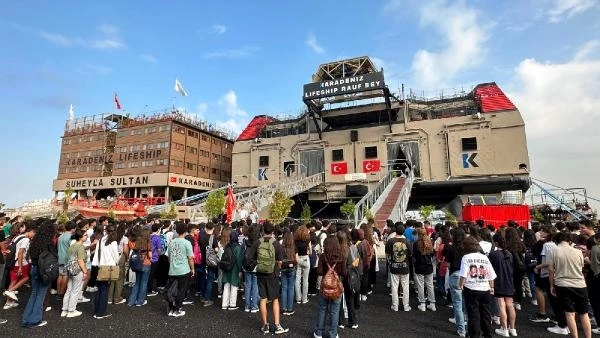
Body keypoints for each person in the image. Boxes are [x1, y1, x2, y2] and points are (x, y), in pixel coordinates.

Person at [549, 231, 592, 338]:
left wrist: (551, 285)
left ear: (557, 241)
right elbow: (581, 267)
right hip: (580, 284)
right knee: (584, 314)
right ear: (569, 241)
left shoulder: (553, 251)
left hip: (562, 284)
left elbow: (551, 270)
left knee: (569, 313)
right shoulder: (578, 252)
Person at [459, 236, 497, 338]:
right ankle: (488, 334)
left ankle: (474, 335)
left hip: (471, 287)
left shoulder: (466, 257)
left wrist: (460, 285)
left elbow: (463, 274)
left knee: (473, 314)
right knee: (486, 313)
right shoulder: (484, 257)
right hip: (485, 288)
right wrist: (492, 287)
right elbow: (491, 275)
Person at [313, 223, 347, 338]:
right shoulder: (341, 256)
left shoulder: (323, 256)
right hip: (336, 286)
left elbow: (319, 272)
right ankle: (333, 333)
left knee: (322, 309)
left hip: (325, 286)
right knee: (335, 311)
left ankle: (319, 332)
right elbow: (344, 273)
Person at [256, 221, 289, 334]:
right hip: (273, 274)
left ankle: (265, 325)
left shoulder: (257, 243)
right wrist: (277, 268)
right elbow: (280, 261)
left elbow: (250, 258)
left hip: (260, 274)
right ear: (273, 231)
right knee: (275, 299)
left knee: (263, 299)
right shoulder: (276, 244)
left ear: (263, 230)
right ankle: (277, 325)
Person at [21, 220, 55, 328]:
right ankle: (35, 320)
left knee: (34, 294)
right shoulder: (48, 244)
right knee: (41, 295)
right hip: (43, 270)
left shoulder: (34, 241)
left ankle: (26, 319)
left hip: (34, 268)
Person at [489, 232, 517, 337]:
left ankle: (504, 329)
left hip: (499, 281)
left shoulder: (493, 255)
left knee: (501, 305)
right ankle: (513, 328)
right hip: (509, 281)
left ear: (496, 242)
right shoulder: (509, 254)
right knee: (510, 305)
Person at [165, 222, 195, 317]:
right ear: (186, 231)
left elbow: (169, 257)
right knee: (181, 290)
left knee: (171, 290)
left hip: (172, 269)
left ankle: (171, 309)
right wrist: (192, 269)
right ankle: (177, 309)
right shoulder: (187, 243)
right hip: (183, 270)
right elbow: (190, 258)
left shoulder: (172, 242)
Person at [91, 224, 119, 319]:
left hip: (100, 266)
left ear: (105, 230)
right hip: (108, 267)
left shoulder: (101, 240)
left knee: (99, 289)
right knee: (104, 290)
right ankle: (101, 312)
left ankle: (96, 310)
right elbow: (116, 256)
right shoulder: (113, 242)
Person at [61, 229, 88, 318]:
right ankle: (71, 310)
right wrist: (85, 271)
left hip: (70, 269)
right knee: (75, 290)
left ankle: (65, 309)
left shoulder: (72, 246)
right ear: (80, 237)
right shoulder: (80, 247)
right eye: (85, 235)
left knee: (69, 290)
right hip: (77, 270)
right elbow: (80, 260)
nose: (87, 236)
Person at [386, 224, 411, 312]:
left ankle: (395, 305)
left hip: (394, 267)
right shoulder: (407, 241)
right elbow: (410, 255)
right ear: (403, 232)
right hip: (405, 267)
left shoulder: (390, 241)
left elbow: (388, 254)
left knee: (394, 286)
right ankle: (406, 306)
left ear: (395, 231)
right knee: (405, 287)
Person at [127, 227, 152, 307]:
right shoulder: (147, 241)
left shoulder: (135, 241)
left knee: (137, 282)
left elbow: (130, 247)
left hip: (137, 263)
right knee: (144, 283)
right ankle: (140, 301)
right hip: (146, 263)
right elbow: (150, 255)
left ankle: (131, 301)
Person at [413, 227, 436, 311]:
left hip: (419, 266)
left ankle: (422, 303)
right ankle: (432, 303)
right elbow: (432, 254)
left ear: (418, 234)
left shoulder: (416, 243)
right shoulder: (430, 242)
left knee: (420, 285)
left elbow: (414, 255)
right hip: (428, 266)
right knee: (430, 285)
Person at [221, 228, 243, 310]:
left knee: (226, 286)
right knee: (234, 286)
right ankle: (232, 304)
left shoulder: (227, 245)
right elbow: (239, 260)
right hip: (234, 269)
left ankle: (224, 304)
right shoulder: (238, 247)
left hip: (226, 267)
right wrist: (240, 269)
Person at [280, 229, 297, 315]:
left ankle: (283, 308)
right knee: (291, 288)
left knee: (284, 288)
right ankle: (290, 308)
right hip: (292, 267)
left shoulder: (281, 248)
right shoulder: (294, 248)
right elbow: (296, 259)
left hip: (283, 268)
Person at [294, 225, 311, 305]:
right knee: (305, 280)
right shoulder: (308, 240)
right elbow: (310, 251)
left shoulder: (295, 241)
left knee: (297, 280)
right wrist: (308, 252)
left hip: (298, 259)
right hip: (305, 259)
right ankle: (304, 299)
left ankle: (298, 298)